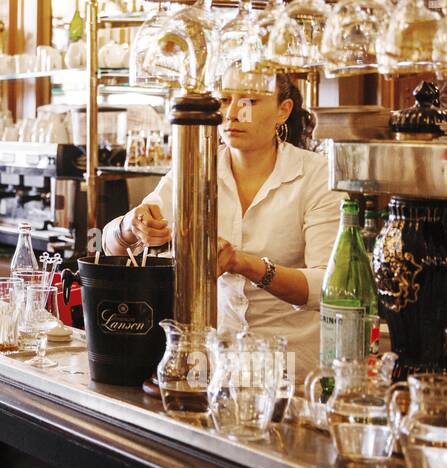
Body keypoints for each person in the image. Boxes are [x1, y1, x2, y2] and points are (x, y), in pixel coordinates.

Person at [102, 73, 337, 379]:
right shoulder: (195, 171)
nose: (231, 113)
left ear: (283, 110)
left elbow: (328, 287)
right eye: (225, 100)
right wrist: (132, 226)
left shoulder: (316, 175)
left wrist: (246, 265)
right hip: (216, 368)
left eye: (249, 101)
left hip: (293, 372)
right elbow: (109, 245)